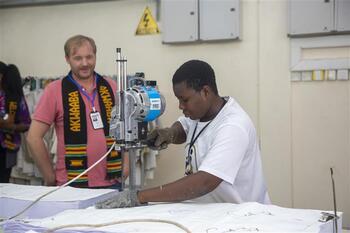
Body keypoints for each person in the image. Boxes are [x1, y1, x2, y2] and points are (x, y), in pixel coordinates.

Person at [96, 60, 270, 208]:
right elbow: (183, 127)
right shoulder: (201, 113)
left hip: (242, 217)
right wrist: (169, 133)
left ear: (206, 92)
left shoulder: (233, 126)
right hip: (209, 212)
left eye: (184, 100)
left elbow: (204, 182)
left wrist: (139, 197)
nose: (181, 106)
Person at [27, 35, 128, 188]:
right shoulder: (54, 90)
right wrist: (49, 177)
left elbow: (126, 129)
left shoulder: (111, 86)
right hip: (71, 183)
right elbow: (33, 138)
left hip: (113, 181)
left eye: (89, 57)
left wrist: (126, 166)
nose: (85, 63)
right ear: (67, 59)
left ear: (95, 56)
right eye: (78, 58)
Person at [0, 62, 31, 183]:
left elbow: (27, 123)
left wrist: (10, 126)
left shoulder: (15, 97)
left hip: (8, 147)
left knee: (3, 184)